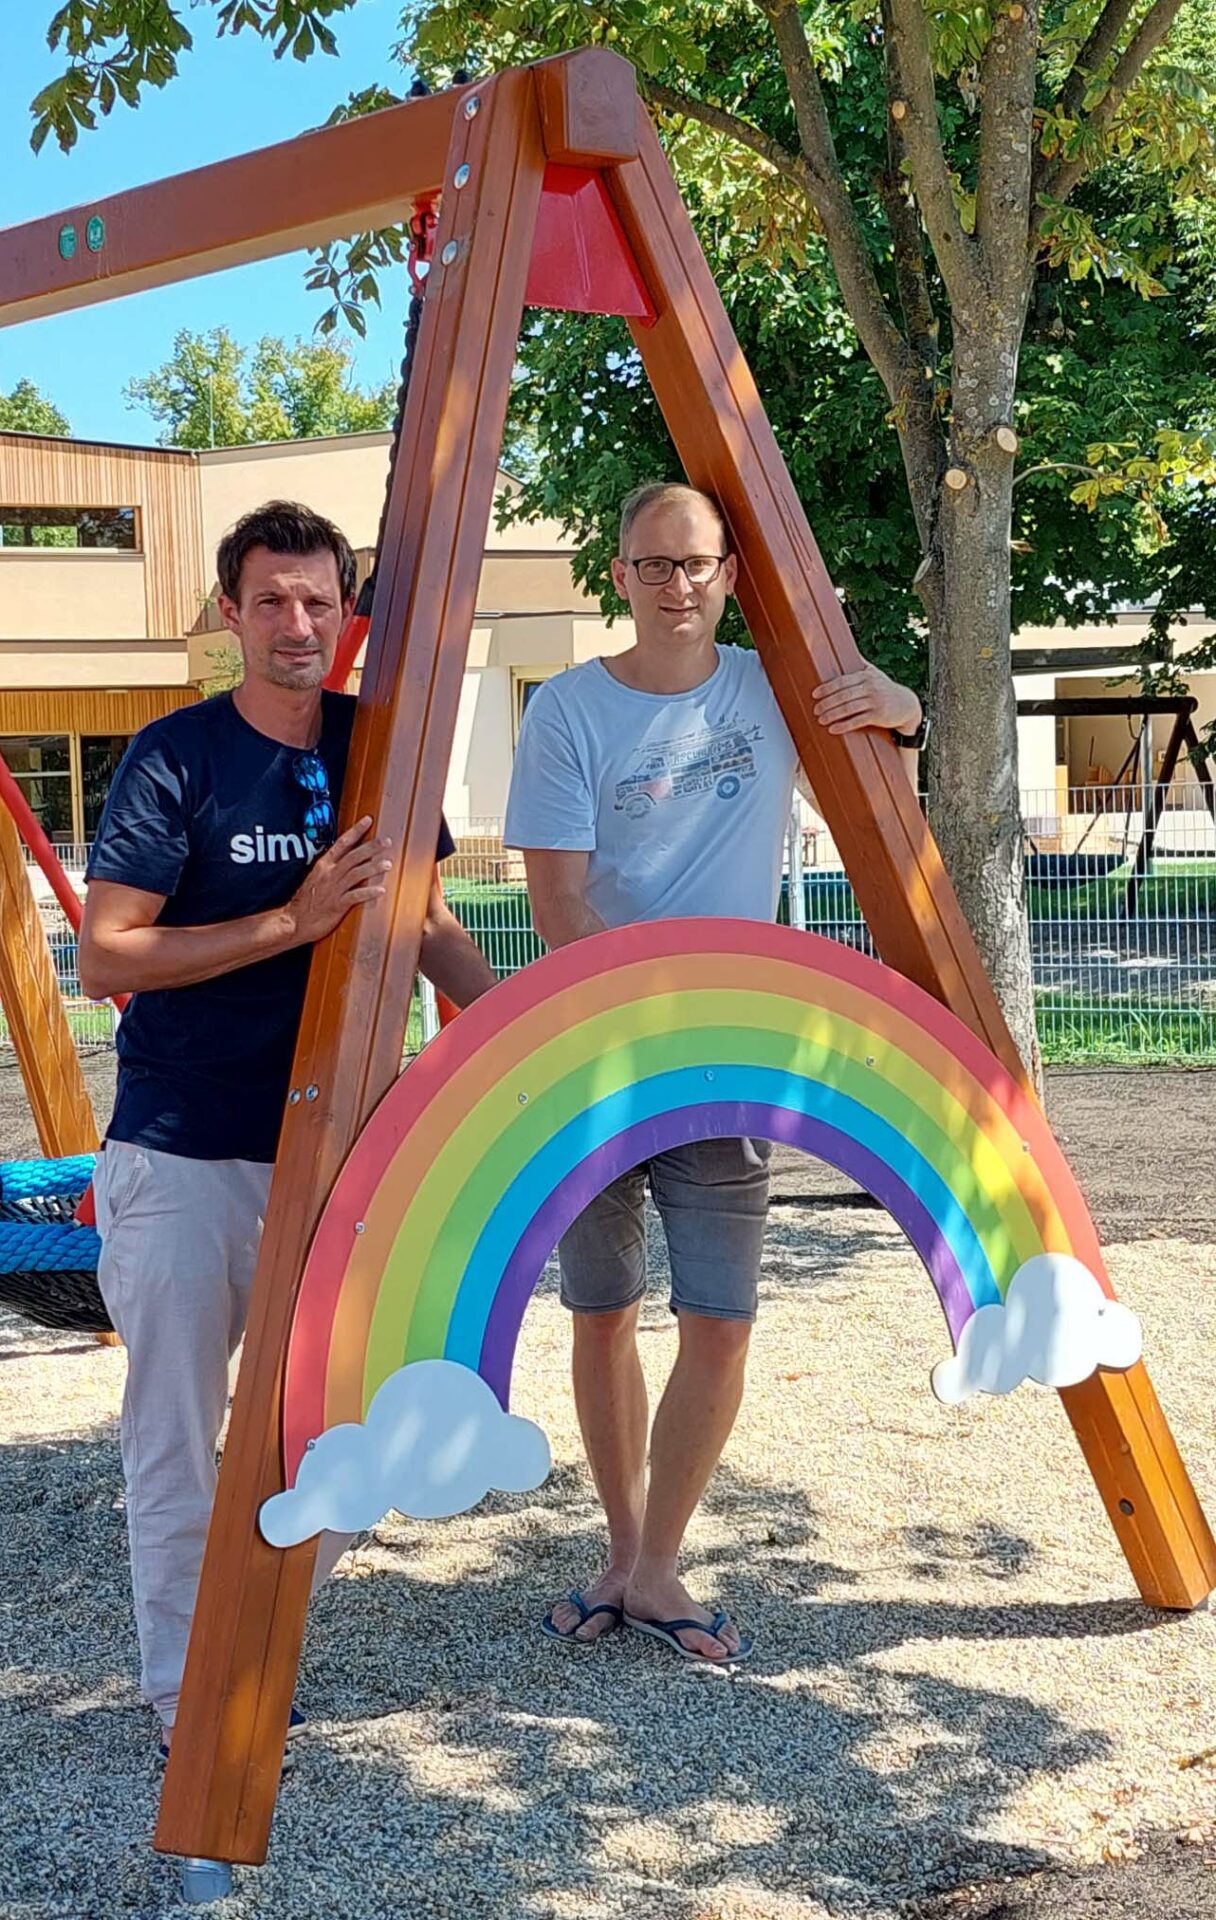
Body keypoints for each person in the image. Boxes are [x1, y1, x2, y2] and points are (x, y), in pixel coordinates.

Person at [79, 499, 500, 1747]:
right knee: (176, 1438)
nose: (296, 623)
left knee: (362, 1423)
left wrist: (527, 1035)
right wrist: (288, 923)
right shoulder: (176, 758)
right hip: (183, 1150)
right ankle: (186, 1699)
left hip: (343, 1155)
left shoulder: (384, 750)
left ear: (346, 614)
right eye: (270, 599)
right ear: (231, 613)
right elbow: (107, 957)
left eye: (317, 601)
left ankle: (247, 1638)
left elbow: (424, 926)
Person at [504, 479, 925, 1665]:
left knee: (722, 1317)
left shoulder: (766, 689)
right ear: (620, 575)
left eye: (695, 564)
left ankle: (653, 1568)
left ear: (730, 574)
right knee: (602, 1312)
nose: (675, 584)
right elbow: (557, 904)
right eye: (652, 563)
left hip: (732, 1064)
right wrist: (666, 1014)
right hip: (600, 1054)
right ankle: (621, 1546)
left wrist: (906, 710)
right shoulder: (570, 715)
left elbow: (884, 750)